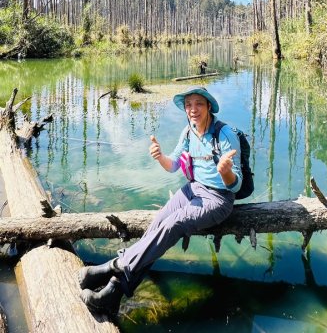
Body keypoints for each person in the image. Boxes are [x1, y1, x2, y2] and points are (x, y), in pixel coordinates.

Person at [78, 86, 242, 316]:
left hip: (218, 198)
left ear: (208, 106)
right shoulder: (189, 132)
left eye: (198, 104)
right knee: (156, 228)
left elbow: (237, 185)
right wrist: (160, 157)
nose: (193, 109)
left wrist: (226, 173)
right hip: (193, 188)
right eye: (188, 105)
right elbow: (173, 164)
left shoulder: (224, 134)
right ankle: (113, 294)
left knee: (173, 223)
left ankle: (110, 268)